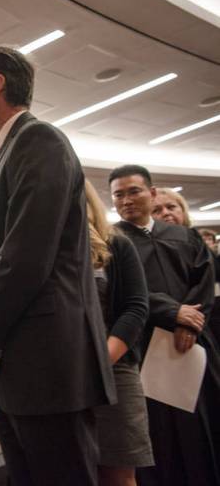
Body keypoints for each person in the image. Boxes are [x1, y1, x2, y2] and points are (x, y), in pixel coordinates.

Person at [0, 46, 114, 485]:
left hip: (47, 367)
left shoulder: (40, 141)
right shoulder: (2, 157)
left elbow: (25, 257)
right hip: (18, 367)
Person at [109, 164, 220, 485]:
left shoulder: (185, 236)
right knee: (155, 431)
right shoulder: (111, 242)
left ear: (151, 192)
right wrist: (172, 312)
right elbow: (124, 291)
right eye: (119, 195)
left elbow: (204, 282)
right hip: (143, 344)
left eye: (134, 191)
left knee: (203, 421)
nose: (127, 200)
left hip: (193, 344)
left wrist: (192, 322)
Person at [85, 180, 153, 486]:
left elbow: (135, 308)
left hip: (114, 372)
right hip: (60, 378)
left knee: (118, 474)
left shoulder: (116, 243)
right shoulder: (40, 246)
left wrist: (99, 362)